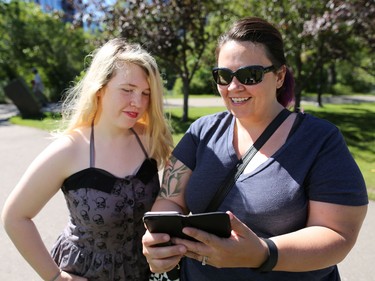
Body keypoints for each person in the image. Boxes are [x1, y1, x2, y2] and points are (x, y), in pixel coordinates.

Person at [141, 17, 368, 281]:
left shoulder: (319, 140)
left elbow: (337, 234)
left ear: (280, 76)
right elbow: (170, 198)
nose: (234, 87)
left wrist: (263, 252)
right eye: (223, 76)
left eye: (250, 75)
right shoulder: (201, 132)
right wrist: (160, 239)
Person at [2, 38, 173, 281]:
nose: (138, 102)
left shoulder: (151, 140)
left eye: (146, 93)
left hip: (143, 273)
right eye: (127, 90)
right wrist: (54, 277)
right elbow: (15, 217)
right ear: (100, 88)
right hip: (86, 273)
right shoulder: (69, 149)